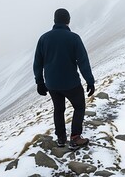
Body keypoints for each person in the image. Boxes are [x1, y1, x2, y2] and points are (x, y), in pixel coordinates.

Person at [33, 8, 95, 149]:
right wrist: (90, 81)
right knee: (79, 107)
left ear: (55, 20)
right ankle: (75, 138)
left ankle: (61, 139)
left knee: (58, 109)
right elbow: (83, 62)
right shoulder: (74, 38)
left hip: (52, 84)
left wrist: (39, 82)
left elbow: (38, 62)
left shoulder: (44, 38)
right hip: (71, 83)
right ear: (68, 21)